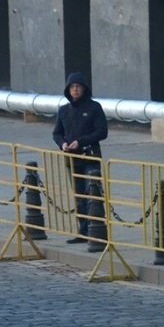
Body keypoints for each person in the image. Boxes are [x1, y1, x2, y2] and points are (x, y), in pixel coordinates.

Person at [51, 72, 108, 244]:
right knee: (79, 194)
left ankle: (97, 230)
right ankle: (83, 231)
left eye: (78, 87)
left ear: (84, 89)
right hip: (72, 158)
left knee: (93, 192)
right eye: (72, 87)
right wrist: (62, 144)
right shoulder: (63, 111)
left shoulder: (94, 107)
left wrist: (80, 142)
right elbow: (57, 133)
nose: (75, 90)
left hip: (90, 156)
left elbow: (102, 132)